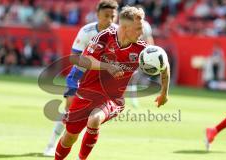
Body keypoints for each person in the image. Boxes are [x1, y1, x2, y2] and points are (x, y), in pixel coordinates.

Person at [55, 6, 170, 160]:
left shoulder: (142, 50)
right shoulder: (104, 37)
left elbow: (164, 64)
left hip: (112, 99)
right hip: (87, 92)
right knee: (69, 137)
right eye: (138, 29)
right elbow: (84, 59)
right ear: (124, 27)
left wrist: (164, 93)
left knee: (94, 119)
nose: (141, 33)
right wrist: (107, 66)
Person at [43, 0, 118, 156]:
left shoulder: (118, 33)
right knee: (69, 108)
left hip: (100, 81)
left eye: (113, 16)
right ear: (98, 15)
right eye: (106, 16)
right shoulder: (87, 31)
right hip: (79, 75)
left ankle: (80, 150)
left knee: (94, 116)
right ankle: (51, 144)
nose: (110, 20)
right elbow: (74, 58)